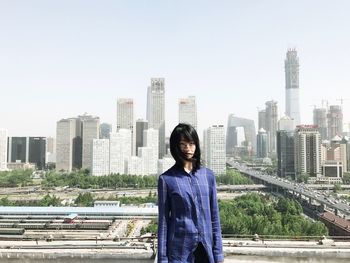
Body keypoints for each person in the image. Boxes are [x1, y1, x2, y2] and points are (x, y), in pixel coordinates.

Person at [157, 123, 224, 263]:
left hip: (206, 251)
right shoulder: (167, 179)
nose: (188, 148)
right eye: (183, 144)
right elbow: (163, 223)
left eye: (192, 143)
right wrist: (163, 259)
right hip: (179, 252)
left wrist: (218, 255)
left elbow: (214, 218)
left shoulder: (208, 176)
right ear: (176, 147)